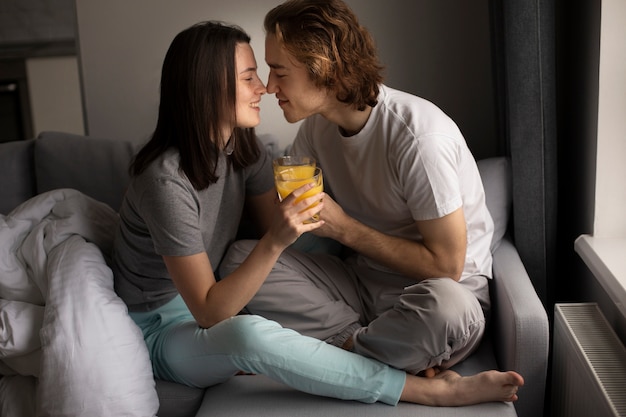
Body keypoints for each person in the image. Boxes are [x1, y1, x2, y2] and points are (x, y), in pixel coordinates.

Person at [111, 20, 520, 408]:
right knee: (247, 333)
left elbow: (281, 227)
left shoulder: (243, 151)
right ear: (205, 90)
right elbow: (210, 311)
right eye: (250, 76)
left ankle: (346, 354)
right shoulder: (165, 182)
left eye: (270, 72)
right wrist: (280, 239)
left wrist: (318, 226)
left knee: (245, 257)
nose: (265, 88)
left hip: (409, 294)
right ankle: (423, 390)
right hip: (165, 326)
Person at [220, 0, 525, 401]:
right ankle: (382, 355)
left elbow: (447, 267)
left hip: (436, 297)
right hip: (362, 289)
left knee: (446, 307)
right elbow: (296, 217)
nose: (270, 87)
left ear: (323, 66)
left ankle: (338, 358)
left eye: (279, 72)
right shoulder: (317, 130)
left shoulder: (417, 138)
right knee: (240, 260)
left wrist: (343, 227)